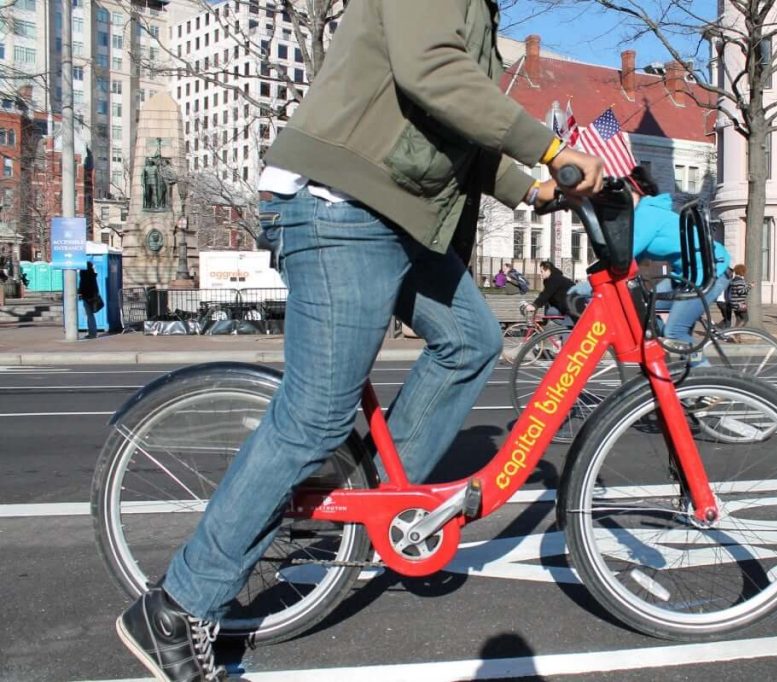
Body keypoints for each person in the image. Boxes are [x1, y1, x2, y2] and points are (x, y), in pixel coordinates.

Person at [114, 3, 606, 680]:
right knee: (315, 415)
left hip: (393, 214)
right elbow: (431, 73)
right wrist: (548, 147)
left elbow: (451, 125)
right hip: (339, 205)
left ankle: (367, 502)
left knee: (471, 340)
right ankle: (176, 604)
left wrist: (532, 189)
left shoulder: (481, 13)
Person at [566, 165, 731, 360]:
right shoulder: (646, 213)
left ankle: (707, 385)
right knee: (646, 303)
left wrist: (584, 289)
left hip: (709, 272)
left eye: (623, 197)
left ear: (635, 194)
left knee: (675, 332)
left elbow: (623, 257)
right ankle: (666, 348)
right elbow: (627, 265)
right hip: (687, 275)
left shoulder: (646, 214)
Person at [78, 262, 102, 339]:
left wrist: (80, 292)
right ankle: (92, 332)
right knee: (90, 315)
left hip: (87, 297)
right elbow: (95, 287)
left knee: (89, 315)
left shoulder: (84, 274)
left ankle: (92, 333)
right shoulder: (92, 274)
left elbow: (83, 285)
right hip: (92, 296)